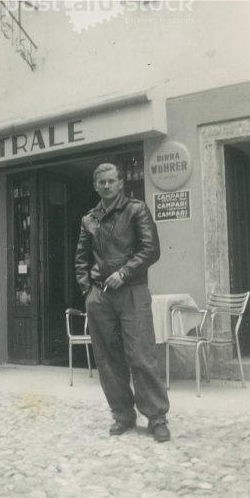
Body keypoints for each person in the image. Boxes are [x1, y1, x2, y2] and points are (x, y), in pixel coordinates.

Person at [75, 162, 171, 442]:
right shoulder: (88, 219)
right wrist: (87, 291)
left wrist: (124, 273)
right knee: (108, 359)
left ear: (120, 183)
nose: (106, 186)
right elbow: (81, 258)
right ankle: (123, 415)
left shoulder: (136, 209)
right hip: (100, 297)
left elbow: (151, 249)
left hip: (133, 292)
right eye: (101, 182)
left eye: (111, 181)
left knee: (141, 354)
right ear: (96, 186)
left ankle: (156, 417)